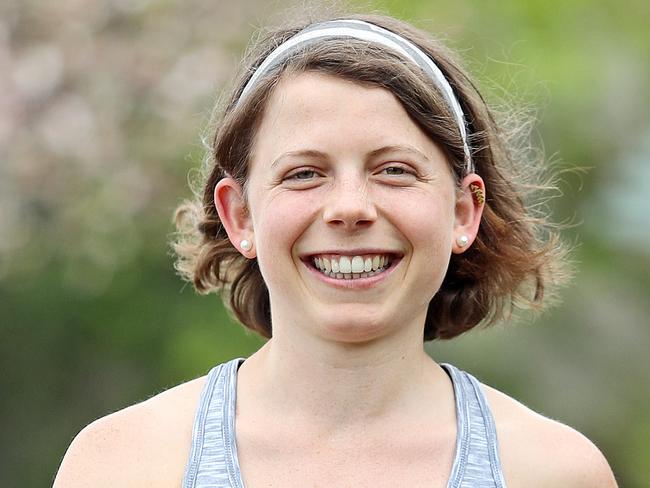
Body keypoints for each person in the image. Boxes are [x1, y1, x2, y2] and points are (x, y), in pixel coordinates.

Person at [53, 11, 618, 488]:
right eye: (304, 173)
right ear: (240, 216)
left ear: (462, 213)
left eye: (394, 171)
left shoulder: (554, 471)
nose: (350, 207)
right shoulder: (121, 465)